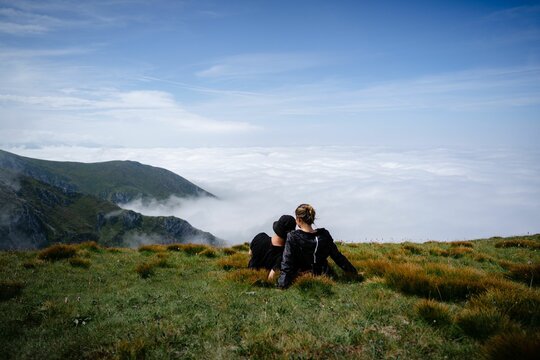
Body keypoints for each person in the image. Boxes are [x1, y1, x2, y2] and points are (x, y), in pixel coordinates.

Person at [277, 204, 358, 289]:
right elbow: (338, 257)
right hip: (326, 277)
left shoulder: (293, 237)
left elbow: (287, 262)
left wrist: (282, 285)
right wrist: (353, 273)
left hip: (302, 279)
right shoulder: (324, 235)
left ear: (299, 219)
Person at [248, 215, 296, 280]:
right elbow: (271, 278)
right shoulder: (284, 254)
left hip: (248, 276)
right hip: (262, 282)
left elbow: (250, 253)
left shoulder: (260, 237)